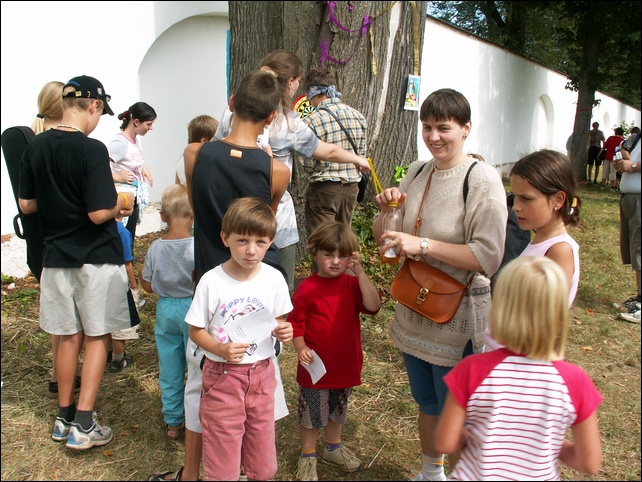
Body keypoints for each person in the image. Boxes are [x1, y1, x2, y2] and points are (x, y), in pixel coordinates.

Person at [148, 68, 291, 482]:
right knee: (256, 380)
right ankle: (240, 467)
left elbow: (197, 203)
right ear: (271, 118)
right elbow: (267, 217)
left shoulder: (196, 154)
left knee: (203, 385)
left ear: (231, 104)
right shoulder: (276, 170)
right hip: (255, 283)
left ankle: (193, 473)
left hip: (210, 278)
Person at [373, 88, 507, 481]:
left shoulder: (480, 180)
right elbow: (389, 242)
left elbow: (488, 257)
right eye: (427, 127)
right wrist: (387, 215)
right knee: (427, 401)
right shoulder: (417, 171)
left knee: (455, 407)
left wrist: (425, 244)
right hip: (416, 309)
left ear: (466, 129)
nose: (434, 136)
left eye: (443, 128)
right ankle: (432, 472)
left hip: (457, 318)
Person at [18, 75, 136, 450]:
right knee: (98, 335)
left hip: (55, 256)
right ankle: (84, 423)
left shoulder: (35, 147)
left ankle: (63, 415)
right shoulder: (90, 149)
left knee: (67, 336)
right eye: (100, 112)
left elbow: (27, 205)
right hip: (94, 258)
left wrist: (59, 204)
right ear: (93, 106)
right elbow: (99, 212)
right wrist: (121, 201)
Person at [435, 256, 603, 479]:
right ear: (558, 315)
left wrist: (473, 435)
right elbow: (589, 462)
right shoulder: (574, 381)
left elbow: (444, 442)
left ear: (501, 309)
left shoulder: (474, 369)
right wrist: (554, 445)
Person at [215, 49, 370, 292]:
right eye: (298, 81)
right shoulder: (287, 122)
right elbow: (326, 151)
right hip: (274, 219)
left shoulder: (233, 111)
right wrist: (356, 159)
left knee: (230, 286)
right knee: (277, 287)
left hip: (229, 213)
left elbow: (215, 148)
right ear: (290, 82)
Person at [186, 197, 294, 481]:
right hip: (222, 378)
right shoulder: (211, 281)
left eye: (260, 242)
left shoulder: (274, 279)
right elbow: (195, 331)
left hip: (262, 375)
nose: (251, 250)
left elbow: (279, 320)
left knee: (264, 466)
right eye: (242, 240)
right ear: (225, 238)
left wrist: (284, 330)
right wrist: (220, 348)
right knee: (222, 467)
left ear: (270, 241)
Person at [289, 221, 381, 480]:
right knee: (311, 413)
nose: (335, 261)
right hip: (315, 368)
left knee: (337, 409)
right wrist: (300, 346)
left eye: (342, 256)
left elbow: (373, 307)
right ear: (315, 253)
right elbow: (296, 323)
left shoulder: (352, 285)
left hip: (344, 364)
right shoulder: (306, 288)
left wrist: (360, 273)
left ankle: (333, 447)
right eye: (328, 254)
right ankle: (307, 455)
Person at [484, 149, 581, 351]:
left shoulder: (559, 249)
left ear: (558, 200)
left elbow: (548, 322)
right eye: (515, 198)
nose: (516, 207)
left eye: (526, 199)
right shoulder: (540, 240)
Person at [26, 80, 84, 399]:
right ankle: (66, 380)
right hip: (64, 241)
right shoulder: (54, 144)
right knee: (74, 321)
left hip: (41, 242)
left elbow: (26, 201)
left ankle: (56, 374)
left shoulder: (31, 140)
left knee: (61, 317)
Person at [140, 183, 195, 439]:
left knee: (170, 367)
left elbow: (147, 285)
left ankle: (173, 422)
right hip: (194, 309)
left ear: (162, 216)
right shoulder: (198, 247)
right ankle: (198, 417)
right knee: (198, 366)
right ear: (194, 214)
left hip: (166, 309)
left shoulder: (155, 248)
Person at [300, 66, 367, 273]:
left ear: (313, 92)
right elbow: (361, 157)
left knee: (322, 246)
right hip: (351, 188)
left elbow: (310, 162)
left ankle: (321, 295)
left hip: (324, 189)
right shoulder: (358, 116)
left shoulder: (312, 120)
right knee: (343, 243)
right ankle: (344, 290)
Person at [108, 101, 157, 244]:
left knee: (130, 236)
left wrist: (143, 167)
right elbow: (100, 166)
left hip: (133, 198)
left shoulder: (134, 140)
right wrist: (117, 177)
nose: (151, 128)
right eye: (148, 124)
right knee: (123, 237)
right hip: (123, 198)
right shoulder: (120, 144)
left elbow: (131, 160)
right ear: (136, 122)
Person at [613, 130, 641, 323]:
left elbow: (634, 164)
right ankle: (639, 297)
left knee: (639, 248)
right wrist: (622, 165)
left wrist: (631, 165)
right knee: (633, 248)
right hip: (630, 198)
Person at [108, 208, 141, 372]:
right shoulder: (122, 232)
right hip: (120, 284)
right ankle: (118, 359)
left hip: (101, 282)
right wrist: (134, 287)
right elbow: (127, 264)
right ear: (123, 209)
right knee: (120, 326)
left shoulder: (99, 228)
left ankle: (107, 352)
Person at [175, 115, 218, 186]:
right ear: (204, 141)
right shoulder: (204, 161)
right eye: (215, 138)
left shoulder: (182, 160)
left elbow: (177, 187)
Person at [600, 126, 624, 191]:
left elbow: (604, 147)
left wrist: (599, 154)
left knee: (605, 171)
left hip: (607, 156)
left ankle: (602, 185)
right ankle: (612, 186)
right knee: (613, 172)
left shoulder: (610, 138)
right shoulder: (622, 140)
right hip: (615, 157)